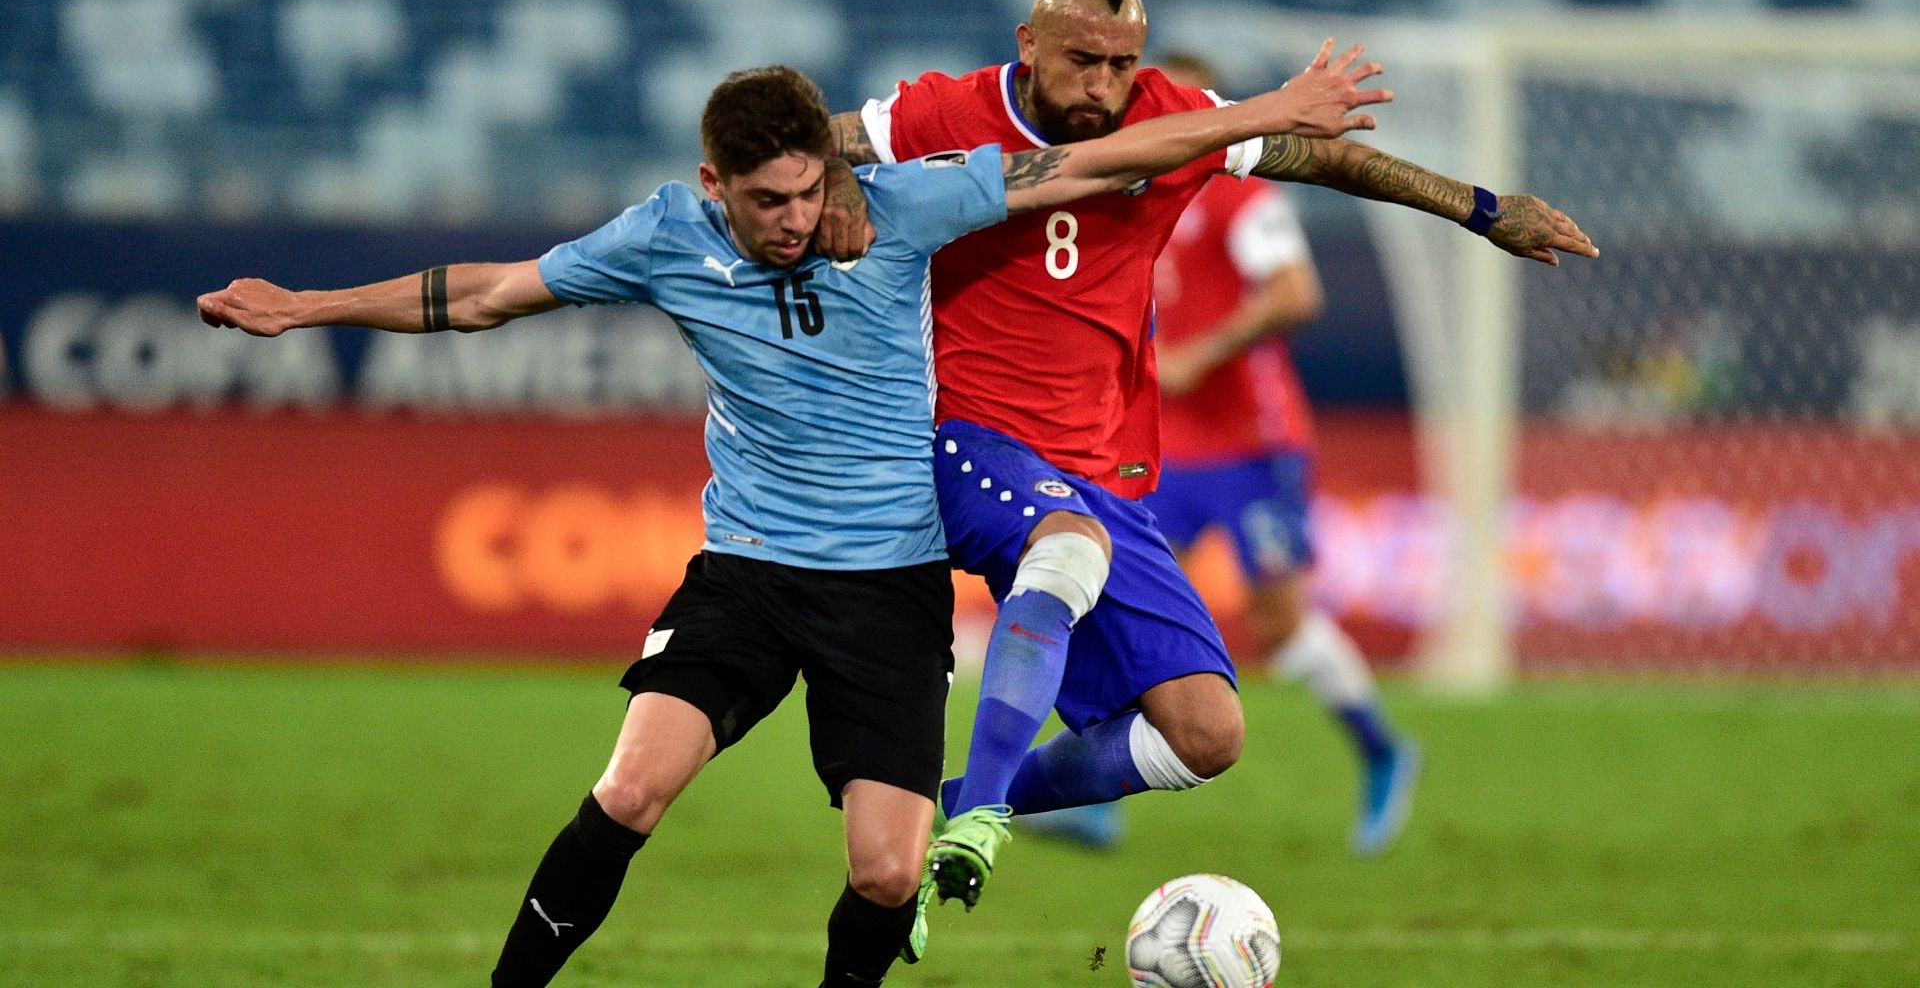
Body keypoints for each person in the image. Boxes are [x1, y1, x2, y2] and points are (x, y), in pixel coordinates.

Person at [196, 59, 1388, 987]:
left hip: (890, 585)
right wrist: (306, 307)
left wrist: (1265, 112)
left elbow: (1092, 165)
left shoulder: (903, 207)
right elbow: (489, 294)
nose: (796, 218)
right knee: (629, 790)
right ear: (715, 186)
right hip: (747, 574)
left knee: (885, 870)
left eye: (813, 188)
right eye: (767, 201)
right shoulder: (662, 237)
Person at [815, 0, 1594, 911]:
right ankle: (976, 827)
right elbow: (817, 133)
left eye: (1123, 65)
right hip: (968, 442)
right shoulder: (942, 112)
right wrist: (793, 166)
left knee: (1206, 733)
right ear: (1029, 43)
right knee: (1065, 546)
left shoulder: (1173, 120)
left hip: (1106, 467)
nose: (1104, 85)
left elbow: (1326, 156)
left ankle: (967, 801)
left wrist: (1481, 209)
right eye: (1081, 61)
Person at [1024, 51, 1421, 856]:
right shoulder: (1124, 189)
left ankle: (1382, 750)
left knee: (1280, 627)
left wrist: (1201, 356)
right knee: (1106, 601)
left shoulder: (1241, 192)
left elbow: (1296, 294)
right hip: (1161, 445)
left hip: (1251, 445)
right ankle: (1101, 799)